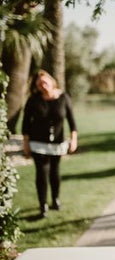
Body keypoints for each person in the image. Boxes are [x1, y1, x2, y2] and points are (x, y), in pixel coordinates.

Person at [22, 70, 78, 218]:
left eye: (44, 81)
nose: (43, 85)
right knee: (42, 173)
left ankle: (55, 199)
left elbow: (72, 121)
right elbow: (26, 123)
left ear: (51, 81)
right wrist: (26, 144)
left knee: (55, 172)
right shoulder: (33, 100)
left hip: (57, 143)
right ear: (37, 87)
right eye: (39, 84)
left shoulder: (63, 97)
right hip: (37, 143)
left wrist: (74, 139)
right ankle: (43, 206)